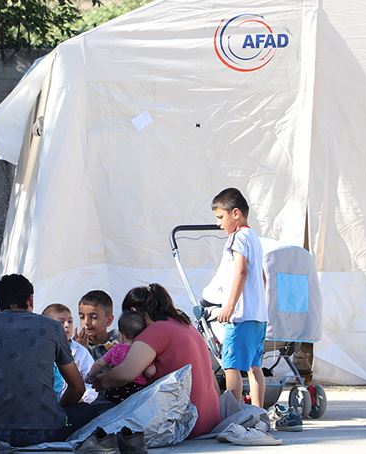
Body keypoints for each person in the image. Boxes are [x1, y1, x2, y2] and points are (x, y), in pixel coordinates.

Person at [0, 275, 109, 447]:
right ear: (30, 300)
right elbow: (77, 387)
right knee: (87, 409)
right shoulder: (53, 328)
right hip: (49, 431)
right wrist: (59, 410)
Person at [93, 284, 221, 438]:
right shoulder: (187, 327)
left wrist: (100, 381)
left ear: (133, 312)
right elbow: (213, 382)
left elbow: (124, 374)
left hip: (184, 425)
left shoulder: (155, 331)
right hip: (210, 420)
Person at [207, 187, 268, 407]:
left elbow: (241, 271)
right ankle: (258, 412)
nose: (219, 224)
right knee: (254, 367)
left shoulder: (237, 238)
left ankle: (233, 414)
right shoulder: (254, 237)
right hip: (258, 315)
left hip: (240, 316)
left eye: (220, 217)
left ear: (235, 213)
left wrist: (229, 306)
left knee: (231, 366)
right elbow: (262, 277)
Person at [87, 311, 157, 403]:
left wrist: (91, 376)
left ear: (121, 335)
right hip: (136, 391)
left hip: (115, 390)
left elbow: (99, 363)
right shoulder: (142, 351)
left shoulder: (116, 349)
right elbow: (150, 372)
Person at [41, 303, 98, 403]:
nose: (67, 325)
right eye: (61, 322)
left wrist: (82, 398)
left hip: (74, 403)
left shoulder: (80, 352)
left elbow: (92, 382)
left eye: (70, 321)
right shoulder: (40, 350)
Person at [75, 290, 120, 360]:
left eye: (93, 317)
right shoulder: (75, 344)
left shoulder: (119, 341)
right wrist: (81, 350)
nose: (86, 322)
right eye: (82, 317)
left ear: (109, 320)